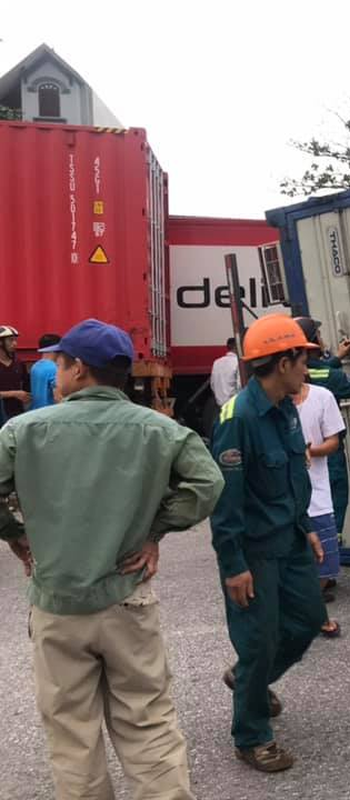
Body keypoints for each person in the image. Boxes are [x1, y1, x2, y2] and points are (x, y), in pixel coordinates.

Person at [0, 318, 223, 799]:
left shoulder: (23, 431)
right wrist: (155, 532)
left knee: (72, 735)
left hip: (58, 604)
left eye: (58, 363)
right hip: (128, 597)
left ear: (79, 369)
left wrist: (17, 535)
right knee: (148, 722)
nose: (53, 373)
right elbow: (208, 484)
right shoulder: (159, 429)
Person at [210, 315, 328, 773]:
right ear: (283, 362)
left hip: (291, 540)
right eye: (304, 359)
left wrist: (307, 526)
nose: (308, 368)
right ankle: (252, 735)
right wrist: (233, 563)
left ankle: (247, 682)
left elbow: (292, 476)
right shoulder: (237, 419)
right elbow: (225, 500)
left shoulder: (286, 409)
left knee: (308, 621)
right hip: (254, 552)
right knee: (258, 641)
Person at [296, 318, 350, 548]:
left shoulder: (297, 373)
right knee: (332, 505)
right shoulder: (327, 378)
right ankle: (329, 562)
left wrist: (337, 358)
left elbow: (319, 371)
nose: (322, 340)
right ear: (312, 342)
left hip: (301, 453)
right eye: (319, 336)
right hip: (328, 455)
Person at [292, 368, 346, 637]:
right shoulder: (270, 403)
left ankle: (308, 612)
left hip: (318, 493)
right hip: (285, 498)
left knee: (327, 561)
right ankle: (315, 617)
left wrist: (309, 450)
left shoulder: (323, 396)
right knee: (293, 561)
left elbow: (333, 441)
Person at [0, 325, 30, 422]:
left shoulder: (19, 362)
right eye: (11, 340)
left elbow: (26, 385)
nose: (15, 343)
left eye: (15, 340)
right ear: (0, 342)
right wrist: (14, 393)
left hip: (17, 413)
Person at [30, 333, 61, 410]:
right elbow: (58, 397)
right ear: (56, 349)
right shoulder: (54, 368)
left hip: (36, 412)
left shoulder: (35, 366)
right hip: (50, 414)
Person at [210, 337, 241, 408]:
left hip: (220, 406)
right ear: (236, 347)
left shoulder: (216, 363)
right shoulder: (238, 363)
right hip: (234, 405)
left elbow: (212, 384)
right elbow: (240, 386)